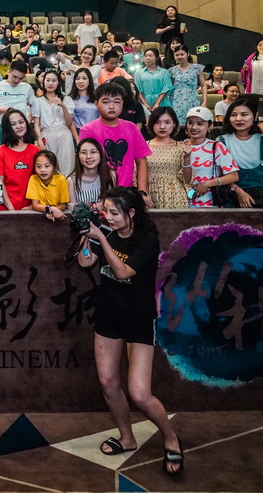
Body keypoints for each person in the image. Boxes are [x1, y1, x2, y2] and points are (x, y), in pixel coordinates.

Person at [76, 186, 184, 476]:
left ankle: (170, 437)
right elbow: (85, 261)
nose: (108, 217)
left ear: (132, 212)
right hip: (108, 315)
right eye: (106, 212)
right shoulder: (105, 231)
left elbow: (123, 271)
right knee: (108, 382)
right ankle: (127, 438)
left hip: (139, 319)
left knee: (139, 394)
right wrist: (87, 236)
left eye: (114, 213)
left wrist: (102, 238)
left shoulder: (147, 239)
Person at [78, 82, 152, 196]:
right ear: (96, 104)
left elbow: (141, 160)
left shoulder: (131, 128)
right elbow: (86, 163)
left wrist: (142, 192)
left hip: (126, 192)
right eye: (106, 102)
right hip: (98, 192)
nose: (112, 106)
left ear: (122, 103)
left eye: (117, 102)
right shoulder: (88, 130)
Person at [218, 99, 263, 208]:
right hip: (233, 197)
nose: (238, 119)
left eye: (244, 114)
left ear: (255, 115)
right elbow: (220, 172)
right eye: (233, 115)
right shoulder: (222, 141)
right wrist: (237, 190)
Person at [181, 106, 239, 209]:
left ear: (210, 126)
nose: (194, 127)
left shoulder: (216, 146)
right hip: (180, 202)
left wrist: (208, 184)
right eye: (190, 123)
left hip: (209, 204)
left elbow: (233, 176)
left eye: (200, 124)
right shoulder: (179, 146)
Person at [0, 109, 40, 211]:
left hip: (31, 208)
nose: (18, 126)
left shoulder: (36, 151)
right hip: (6, 209)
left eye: (21, 122)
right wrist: (12, 211)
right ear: (7, 128)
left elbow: (41, 182)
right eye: (13, 124)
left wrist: (33, 206)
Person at [33, 69, 77, 177]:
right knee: (48, 166)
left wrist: (63, 106)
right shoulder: (37, 101)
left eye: (54, 80)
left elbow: (69, 122)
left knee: (66, 167)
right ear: (43, 82)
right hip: (46, 135)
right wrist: (40, 141)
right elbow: (36, 124)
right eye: (48, 80)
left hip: (64, 135)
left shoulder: (66, 99)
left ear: (58, 82)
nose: (50, 83)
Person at [144, 107, 187, 209]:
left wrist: (188, 159)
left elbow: (187, 178)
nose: (162, 127)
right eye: (157, 122)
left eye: (167, 122)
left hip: (174, 195)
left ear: (174, 124)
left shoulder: (181, 147)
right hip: (149, 194)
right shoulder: (144, 146)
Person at [67, 138, 116, 210]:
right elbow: (73, 208)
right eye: (84, 153)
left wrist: (85, 207)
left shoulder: (110, 175)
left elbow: (112, 204)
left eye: (93, 152)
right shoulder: (71, 181)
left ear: (100, 155)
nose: (88, 156)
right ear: (78, 156)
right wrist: (99, 205)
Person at [167, 45, 205, 126]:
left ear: (188, 54)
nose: (179, 57)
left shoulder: (196, 68)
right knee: (177, 123)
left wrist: (205, 101)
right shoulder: (171, 70)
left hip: (192, 98)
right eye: (177, 55)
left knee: (193, 122)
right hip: (176, 100)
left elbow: (203, 85)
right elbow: (169, 87)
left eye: (182, 54)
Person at [26, 149, 69, 220]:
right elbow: (35, 205)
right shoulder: (34, 179)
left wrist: (51, 211)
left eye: (47, 166)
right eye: (38, 166)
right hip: (39, 216)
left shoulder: (61, 179)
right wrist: (51, 209)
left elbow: (63, 205)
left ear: (55, 167)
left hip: (57, 216)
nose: (42, 170)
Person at [133, 49, 172, 116]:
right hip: (145, 102)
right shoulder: (138, 73)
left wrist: (157, 103)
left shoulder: (164, 72)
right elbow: (138, 90)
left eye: (150, 56)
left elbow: (166, 88)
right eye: (145, 56)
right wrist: (145, 104)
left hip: (162, 102)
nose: (147, 58)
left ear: (156, 57)